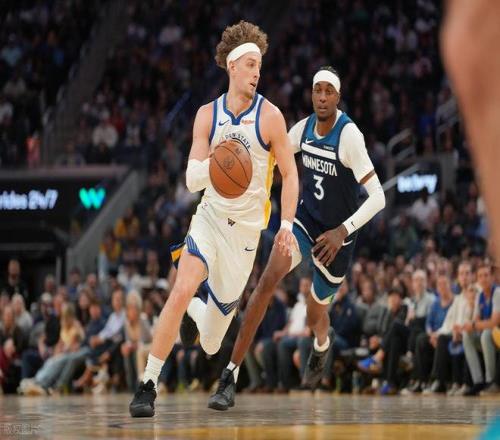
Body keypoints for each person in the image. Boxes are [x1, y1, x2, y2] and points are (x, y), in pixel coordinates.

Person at [129, 20, 298, 417]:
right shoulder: (208, 115)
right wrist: (220, 163)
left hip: (245, 235)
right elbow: (192, 179)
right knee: (180, 287)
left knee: (210, 343)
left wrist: (287, 225)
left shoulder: (271, 117)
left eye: (260, 66)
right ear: (232, 66)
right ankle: (148, 385)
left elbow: (291, 176)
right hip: (209, 217)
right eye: (251, 65)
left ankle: (195, 311)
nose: (257, 73)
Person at [209, 66, 385, 410]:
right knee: (265, 282)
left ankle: (321, 344)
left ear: (338, 97)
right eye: (318, 90)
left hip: (337, 239)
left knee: (315, 316)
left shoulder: (349, 136)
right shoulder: (302, 129)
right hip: (304, 222)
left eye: (329, 92)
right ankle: (230, 375)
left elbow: (378, 196)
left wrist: (342, 231)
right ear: (312, 94)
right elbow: (269, 158)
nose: (322, 97)